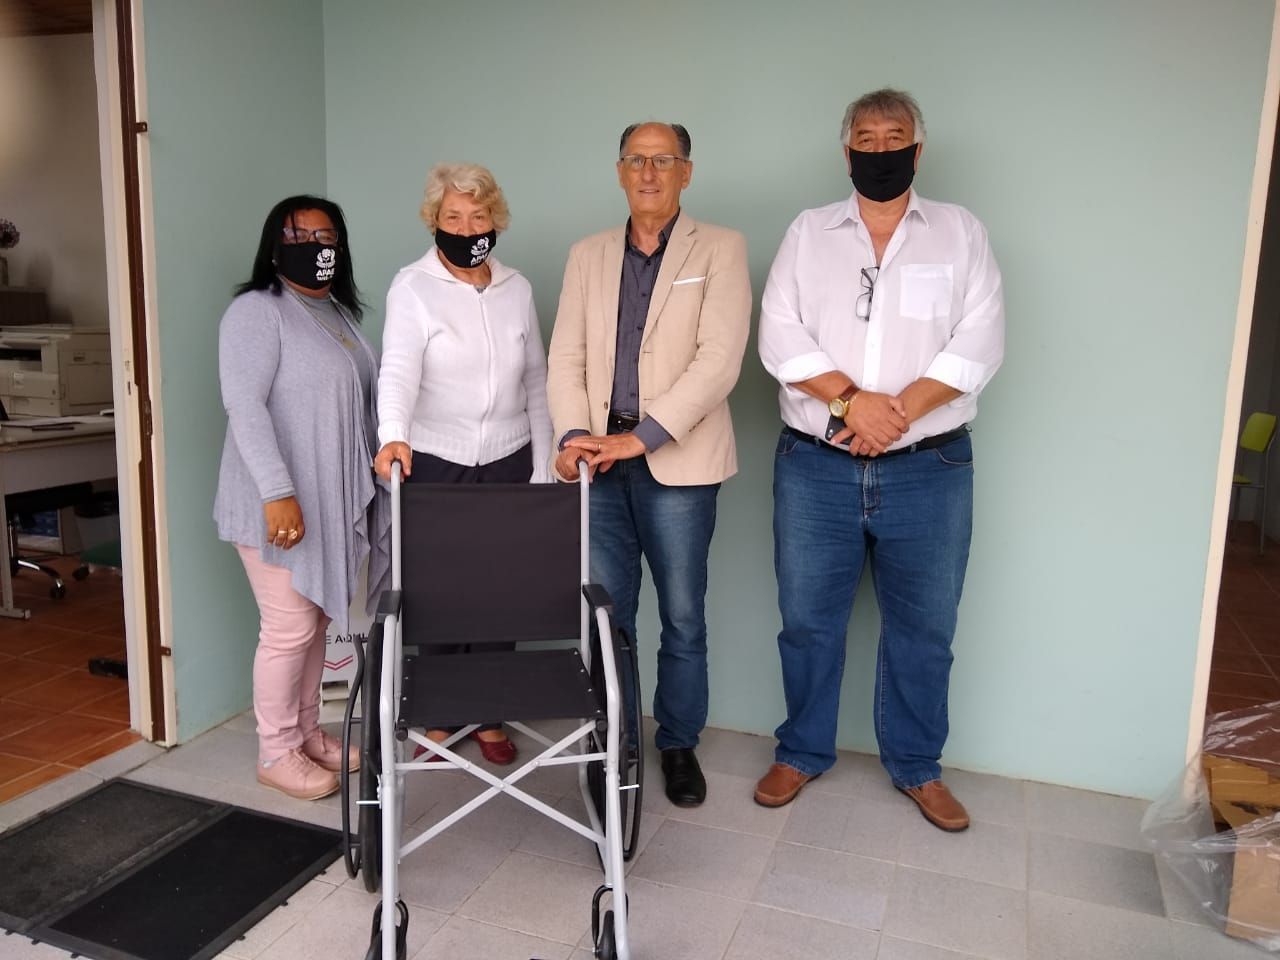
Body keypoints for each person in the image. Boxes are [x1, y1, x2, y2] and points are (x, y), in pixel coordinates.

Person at [755, 89, 1005, 831]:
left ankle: (919, 766)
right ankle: (801, 751)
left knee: (925, 630)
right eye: (866, 138)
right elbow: (778, 332)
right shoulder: (809, 232)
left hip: (930, 469)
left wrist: (892, 413)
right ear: (847, 153)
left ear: (917, 150)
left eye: (895, 136)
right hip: (816, 466)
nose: (880, 148)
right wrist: (850, 402)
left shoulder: (960, 232)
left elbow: (980, 339)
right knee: (807, 622)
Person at [546, 122, 752, 807]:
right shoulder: (587, 255)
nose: (649, 172)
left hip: (677, 464)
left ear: (686, 172)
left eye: (664, 160)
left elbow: (719, 361)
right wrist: (575, 435)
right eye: (637, 160)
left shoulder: (720, 247)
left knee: (683, 615)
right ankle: (617, 742)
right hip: (598, 466)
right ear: (620, 171)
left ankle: (677, 743)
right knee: (608, 617)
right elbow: (566, 357)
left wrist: (644, 437)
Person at [374, 162, 552, 765]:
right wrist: (393, 435)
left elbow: (536, 379)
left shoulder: (517, 288)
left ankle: (489, 712)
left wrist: (542, 463)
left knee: (502, 592)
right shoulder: (412, 287)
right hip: (436, 458)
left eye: (478, 216)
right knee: (442, 594)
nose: (466, 227)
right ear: (434, 221)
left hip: (509, 457)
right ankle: (442, 714)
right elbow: (397, 371)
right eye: (453, 216)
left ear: (494, 219)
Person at [215, 195, 388, 801]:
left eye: (325, 237)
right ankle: (275, 750)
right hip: (276, 503)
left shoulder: (338, 312)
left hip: (325, 504)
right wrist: (278, 492)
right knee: (288, 627)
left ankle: (308, 733)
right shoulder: (256, 311)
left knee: (312, 622)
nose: (314, 246)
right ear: (274, 247)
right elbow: (244, 405)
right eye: (298, 236)